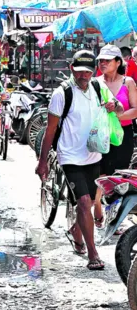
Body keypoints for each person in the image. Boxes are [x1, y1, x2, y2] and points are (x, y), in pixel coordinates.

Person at [36, 50, 124, 270]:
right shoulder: (61, 93)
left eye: (87, 71)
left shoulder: (98, 87)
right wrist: (43, 161)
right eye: (79, 71)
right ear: (71, 69)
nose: (83, 76)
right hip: (69, 156)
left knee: (88, 202)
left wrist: (115, 106)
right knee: (85, 202)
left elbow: (120, 108)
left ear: (92, 71)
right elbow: (50, 129)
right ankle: (93, 254)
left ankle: (76, 231)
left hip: (93, 154)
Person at [93, 45, 137, 228]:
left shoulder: (128, 83)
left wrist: (117, 115)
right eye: (101, 60)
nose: (103, 63)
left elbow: (135, 110)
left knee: (117, 176)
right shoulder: (95, 82)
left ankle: (114, 217)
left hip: (123, 136)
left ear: (118, 62)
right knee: (99, 172)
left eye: (107, 60)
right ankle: (97, 207)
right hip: (99, 135)